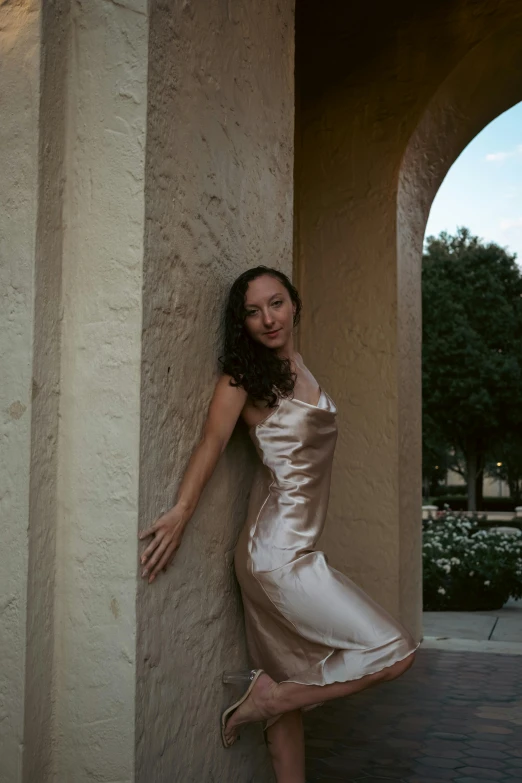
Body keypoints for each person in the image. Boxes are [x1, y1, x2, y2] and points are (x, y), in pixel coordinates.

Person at [139, 266, 419, 783]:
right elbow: (212, 443)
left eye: (276, 303)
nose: (268, 319)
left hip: (297, 552)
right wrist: (180, 512)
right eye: (252, 311)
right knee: (393, 649)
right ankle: (264, 699)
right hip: (276, 557)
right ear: (240, 322)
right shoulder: (243, 378)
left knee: (290, 696)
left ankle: (274, 699)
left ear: (294, 304)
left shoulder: (301, 368)